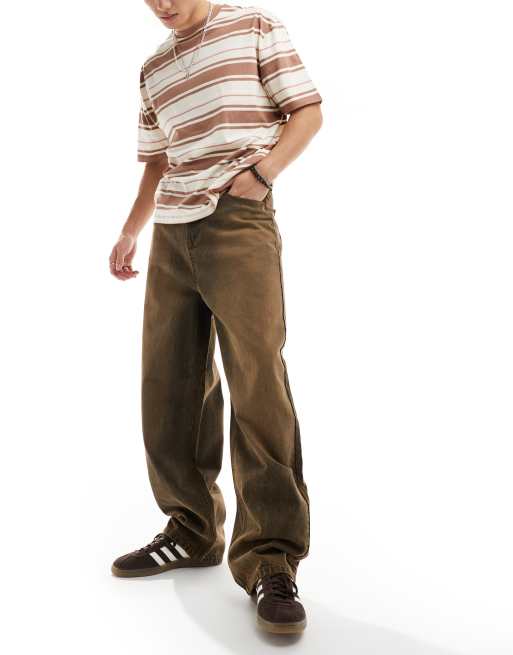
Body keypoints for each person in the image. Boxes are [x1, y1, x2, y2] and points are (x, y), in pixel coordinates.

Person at [109, 0, 323, 635]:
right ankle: (192, 528)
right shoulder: (153, 68)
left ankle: (270, 558)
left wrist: (262, 173)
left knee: (257, 382)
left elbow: (307, 111)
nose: (161, 5)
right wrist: (131, 231)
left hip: (238, 222)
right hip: (172, 234)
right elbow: (158, 161)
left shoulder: (254, 27)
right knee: (169, 383)